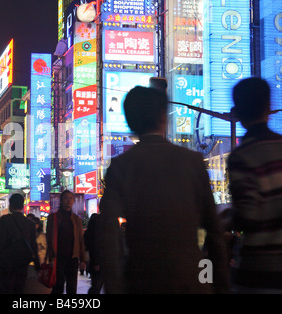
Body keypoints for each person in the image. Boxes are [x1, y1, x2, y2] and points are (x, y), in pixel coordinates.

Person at [99, 86, 229, 294]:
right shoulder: (192, 162)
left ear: (130, 121)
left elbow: (108, 234)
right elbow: (214, 231)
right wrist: (219, 284)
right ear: (162, 116)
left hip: (141, 281)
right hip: (190, 279)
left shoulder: (121, 167)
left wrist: (115, 285)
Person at [227, 77, 282, 293]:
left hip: (260, 272)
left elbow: (248, 216)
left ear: (237, 112)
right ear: (269, 107)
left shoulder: (241, 156)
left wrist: (227, 220)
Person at [46, 190, 87, 294]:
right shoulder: (53, 218)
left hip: (72, 258)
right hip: (58, 258)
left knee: (72, 288)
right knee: (57, 287)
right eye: (66, 198)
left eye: (70, 198)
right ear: (61, 200)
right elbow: (49, 238)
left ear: (73, 201)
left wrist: (83, 259)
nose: (68, 201)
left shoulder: (76, 219)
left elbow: (80, 240)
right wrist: (51, 258)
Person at [0, 193, 38, 294]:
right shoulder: (30, 224)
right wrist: (37, 265)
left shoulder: (5, 220)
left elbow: (0, 242)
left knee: (6, 289)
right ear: (22, 206)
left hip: (6, 263)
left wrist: (0, 259)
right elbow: (34, 246)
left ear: (10, 205)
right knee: (19, 288)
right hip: (22, 263)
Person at [84, 213, 104, 294]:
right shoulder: (96, 234)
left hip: (95, 262)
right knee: (97, 286)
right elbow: (95, 246)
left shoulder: (88, 233)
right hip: (99, 262)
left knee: (96, 285)